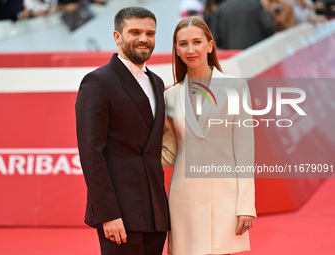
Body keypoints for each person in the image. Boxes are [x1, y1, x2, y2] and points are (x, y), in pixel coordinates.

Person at [75, 6, 169, 255]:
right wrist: (108, 214)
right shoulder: (98, 82)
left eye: (150, 33)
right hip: (120, 212)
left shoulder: (157, 83)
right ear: (117, 36)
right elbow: (91, 153)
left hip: (155, 212)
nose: (143, 39)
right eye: (135, 32)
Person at [162, 16, 256, 255]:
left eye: (197, 42)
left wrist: (246, 205)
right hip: (185, 200)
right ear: (176, 49)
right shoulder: (170, 97)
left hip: (226, 199)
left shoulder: (236, 88)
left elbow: (244, 151)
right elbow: (169, 153)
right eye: (183, 44)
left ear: (210, 45)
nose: (191, 50)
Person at [210, 0, 276, 49]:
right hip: (256, 51)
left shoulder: (221, 9)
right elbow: (269, 27)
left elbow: (215, 38)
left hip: (233, 56)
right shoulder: (255, 4)